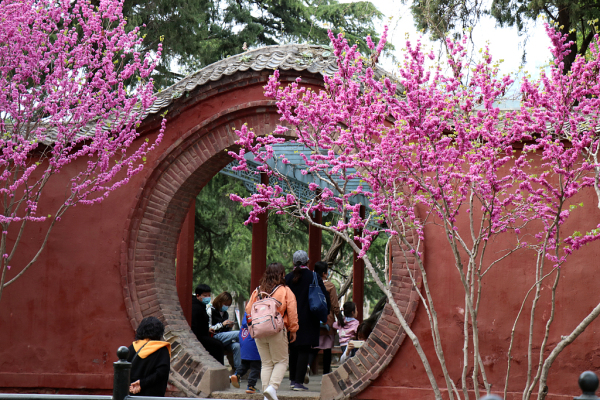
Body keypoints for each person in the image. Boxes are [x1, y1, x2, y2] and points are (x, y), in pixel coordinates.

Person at [246, 262, 299, 400]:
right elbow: (292, 311)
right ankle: (272, 387)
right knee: (281, 361)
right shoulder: (285, 290)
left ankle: (266, 394)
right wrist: (293, 329)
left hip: (259, 332)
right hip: (276, 330)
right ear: (281, 274)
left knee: (266, 363)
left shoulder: (257, 291)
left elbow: (248, 310)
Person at [285, 250, 330, 391]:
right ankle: (299, 382)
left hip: (291, 319)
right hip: (309, 318)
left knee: (293, 349)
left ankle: (293, 380)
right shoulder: (314, 276)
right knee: (304, 349)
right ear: (308, 262)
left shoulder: (287, 278)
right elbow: (324, 297)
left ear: (293, 262)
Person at [308, 261, 341, 375]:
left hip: (313, 320)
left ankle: (307, 365)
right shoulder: (330, 286)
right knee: (327, 349)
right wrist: (340, 319)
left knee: (314, 347)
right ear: (325, 273)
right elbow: (335, 305)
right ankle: (326, 375)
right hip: (327, 320)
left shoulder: (310, 284)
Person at [127, 316, 171, 397]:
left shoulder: (131, 348)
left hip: (132, 395)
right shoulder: (161, 350)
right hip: (152, 396)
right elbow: (161, 373)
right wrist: (142, 383)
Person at [207, 291, 242, 374]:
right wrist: (222, 324)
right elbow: (209, 327)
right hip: (215, 336)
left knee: (237, 346)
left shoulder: (225, 314)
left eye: (228, 305)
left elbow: (226, 332)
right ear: (220, 302)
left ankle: (238, 372)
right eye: (225, 304)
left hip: (223, 337)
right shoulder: (210, 310)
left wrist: (229, 327)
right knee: (238, 333)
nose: (226, 307)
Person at [191, 284, 225, 364]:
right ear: (198, 295)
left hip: (205, 334)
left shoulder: (201, 306)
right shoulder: (196, 307)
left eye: (209, 295)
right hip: (199, 337)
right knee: (218, 345)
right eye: (205, 295)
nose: (208, 298)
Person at [230, 312, 262, 394]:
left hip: (244, 341)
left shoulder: (246, 314)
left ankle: (237, 374)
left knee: (245, 364)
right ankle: (251, 386)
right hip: (253, 344)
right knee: (256, 367)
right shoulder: (258, 311)